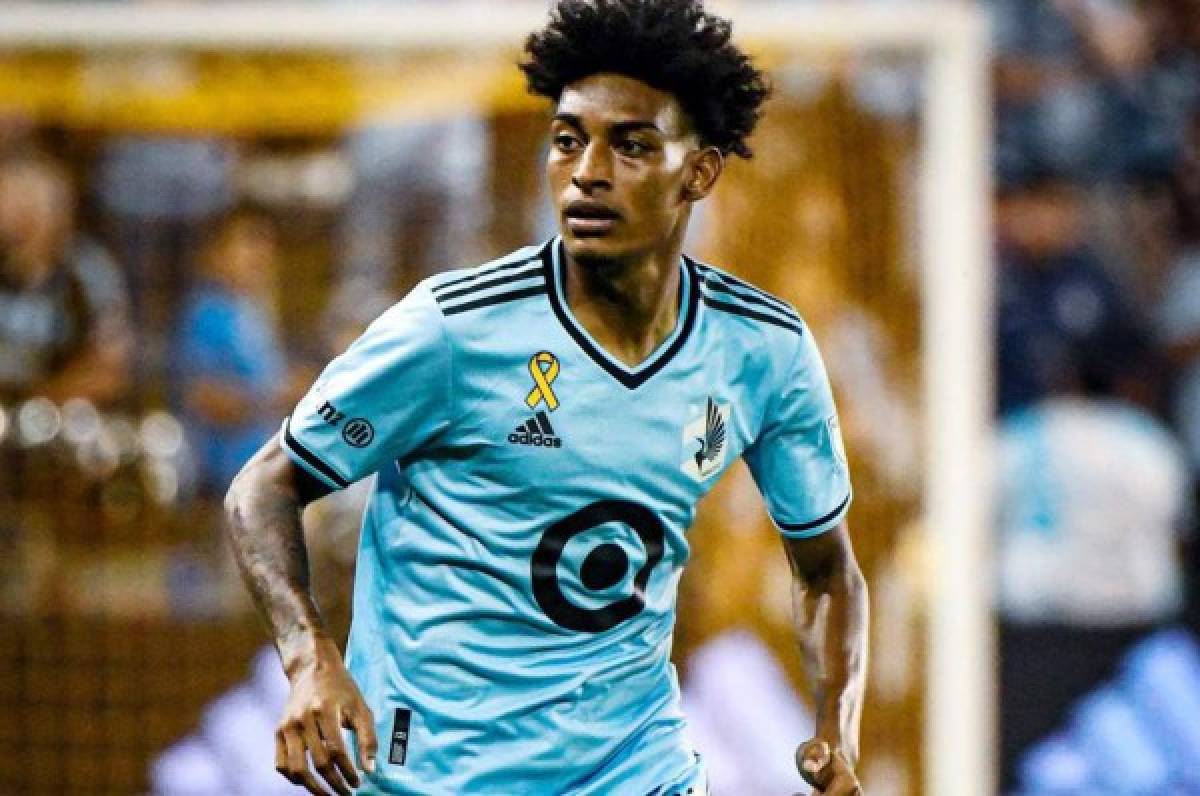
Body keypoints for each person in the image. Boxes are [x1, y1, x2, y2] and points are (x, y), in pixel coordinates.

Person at [224, 2, 867, 794]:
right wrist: (308, 659)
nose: (588, 171)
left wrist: (837, 731)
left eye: (631, 145)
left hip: (637, 772)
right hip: (438, 773)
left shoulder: (763, 349)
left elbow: (827, 571)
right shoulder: (453, 330)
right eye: (568, 140)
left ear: (699, 173)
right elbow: (263, 486)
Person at [0, 150, 132, 405]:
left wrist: (35, 402)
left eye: (30, 201)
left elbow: (109, 371)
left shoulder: (89, 270)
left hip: (59, 413)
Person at [173, 204, 288, 496]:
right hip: (219, 480)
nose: (260, 254)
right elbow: (202, 397)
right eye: (249, 241)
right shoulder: (205, 314)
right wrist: (275, 395)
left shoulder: (255, 312)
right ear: (216, 253)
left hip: (261, 474)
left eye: (266, 243)